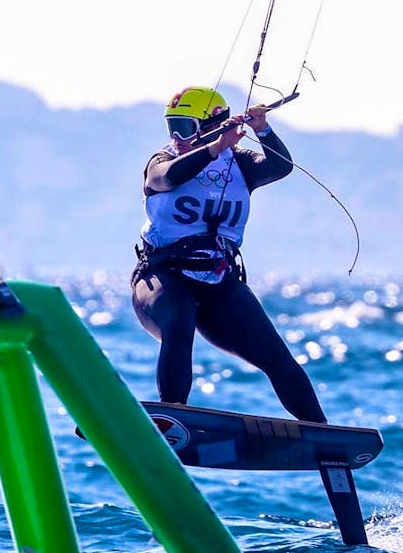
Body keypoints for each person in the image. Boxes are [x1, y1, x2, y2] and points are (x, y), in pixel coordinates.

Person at [131, 86, 327, 423]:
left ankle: (320, 431)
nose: (177, 136)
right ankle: (173, 415)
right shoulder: (161, 161)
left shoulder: (241, 165)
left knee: (275, 354)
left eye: (186, 126)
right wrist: (213, 147)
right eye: (171, 126)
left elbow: (281, 167)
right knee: (179, 319)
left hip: (218, 282)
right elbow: (167, 179)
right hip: (161, 280)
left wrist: (262, 129)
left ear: (214, 124)